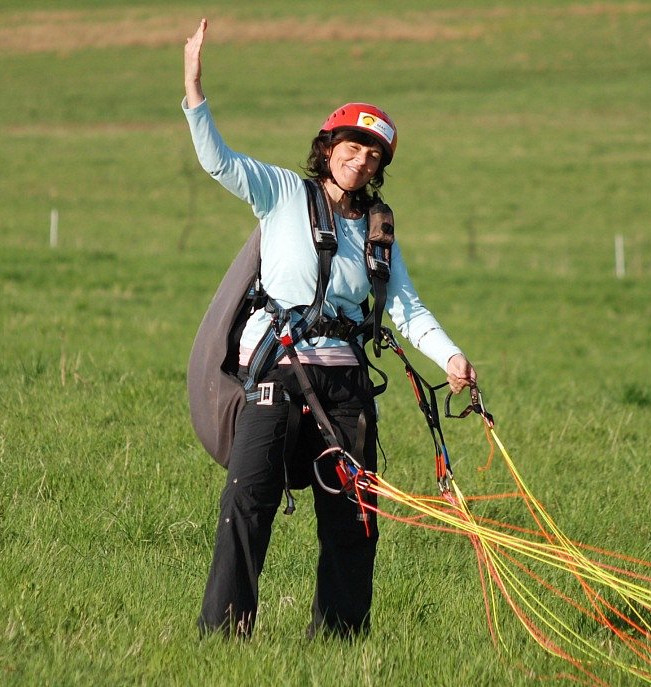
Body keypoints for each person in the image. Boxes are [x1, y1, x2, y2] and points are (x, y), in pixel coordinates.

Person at [182, 18, 477, 639]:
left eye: (373, 154)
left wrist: (451, 358)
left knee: (353, 517)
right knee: (247, 502)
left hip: (345, 389)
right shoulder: (282, 193)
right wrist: (194, 89)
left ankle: (340, 641)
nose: (360, 159)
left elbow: (406, 307)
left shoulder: (377, 231)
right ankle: (223, 634)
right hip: (277, 373)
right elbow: (218, 161)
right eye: (351, 146)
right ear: (328, 146)